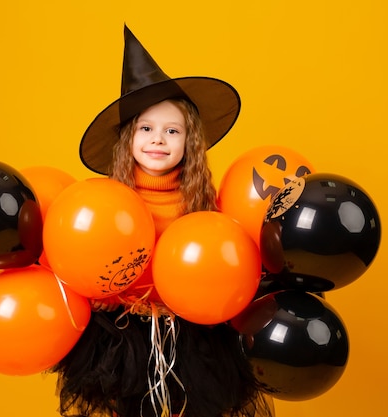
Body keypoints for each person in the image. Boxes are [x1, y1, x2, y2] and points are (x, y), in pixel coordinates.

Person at [51, 26, 274, 417]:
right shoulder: (110, 202)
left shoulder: (204, 202)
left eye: (173, 131)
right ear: (128, 138)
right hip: (126, 337)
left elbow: (222, 261)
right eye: (146, 129)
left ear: (190, 141)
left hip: (193, 335)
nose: (159, 140)